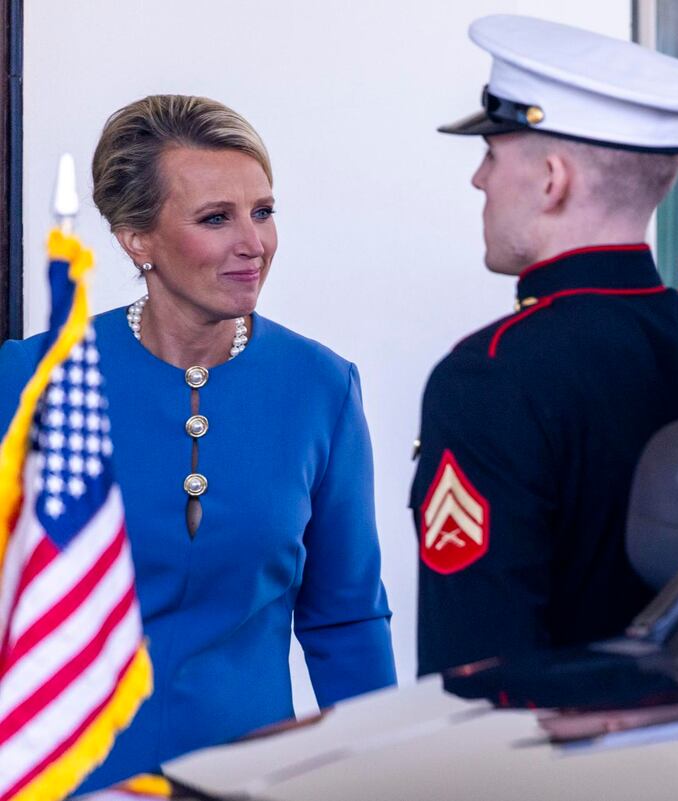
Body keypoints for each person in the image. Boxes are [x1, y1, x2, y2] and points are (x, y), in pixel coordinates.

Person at [0, 95, 396, 789]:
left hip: (250, 782)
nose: (254, 243)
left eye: (263, 212)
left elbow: (347, 620)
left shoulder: (321, 387)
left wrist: (382, 780)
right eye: (217, 218)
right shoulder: (28, 381)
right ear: (136, 238)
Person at [412, 15, 678, 676]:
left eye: (492, 154)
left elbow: (476, 668)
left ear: (552, 179)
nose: (479, 179)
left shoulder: (489, 376)